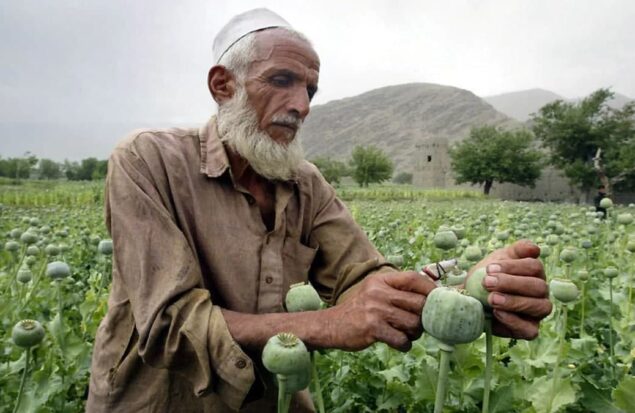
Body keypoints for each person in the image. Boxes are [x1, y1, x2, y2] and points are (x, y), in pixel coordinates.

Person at [86, 8, 552, 413]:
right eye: (282, 81)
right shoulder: (148, 161)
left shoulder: (304, 182)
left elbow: (363, 278)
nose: (302, 105)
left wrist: (474, 289)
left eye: (310, 89)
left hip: (276, 401)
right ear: (223, 85)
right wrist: (325, 324)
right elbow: (169, 324)